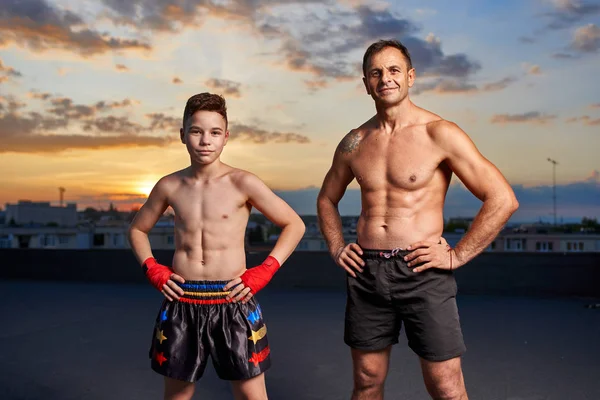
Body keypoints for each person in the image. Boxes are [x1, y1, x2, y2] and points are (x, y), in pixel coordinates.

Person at [316, 39, 519, 400]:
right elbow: (327, 198)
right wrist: (336, 245)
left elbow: (502, 198)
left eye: (394, 70)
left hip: (422, 273)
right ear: (366, 83)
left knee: (445, 385)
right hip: (366, 273)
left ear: (410, 77)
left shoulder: (439, 133)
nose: (385, 79)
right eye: (376, 72)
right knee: (366, 380)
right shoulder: (354, 141)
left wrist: (457, 255)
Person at [128, 92, 305, 400]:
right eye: (196, 131)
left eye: (214, 132)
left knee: (252, 395)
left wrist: (265, 271)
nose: (205, 140)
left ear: (226, 136)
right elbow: (137, 229)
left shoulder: (243, 182)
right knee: (177, 396)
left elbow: (295, 224)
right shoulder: (169, 185)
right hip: (183, 300)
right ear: (183, 135)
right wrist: (152, 269)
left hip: (233, 299)